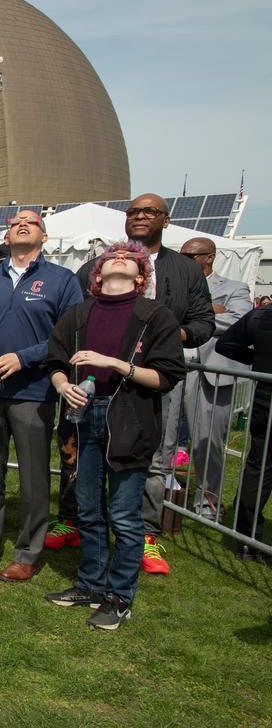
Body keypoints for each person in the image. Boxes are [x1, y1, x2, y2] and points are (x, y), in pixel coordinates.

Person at [45, 241, 185, 629]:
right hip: (81, 416)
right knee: (88, 510)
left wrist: (114, 363)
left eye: (128, 258)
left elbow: (165, 377)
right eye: (110, 257)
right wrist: (61, 385)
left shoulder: (155, 316)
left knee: (124, 516)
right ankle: (90, 584)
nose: (118, 258)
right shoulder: (78, 314)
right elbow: (55, 361)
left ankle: (119, 596)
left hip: (128, 420)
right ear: (97, 274)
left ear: (141, 277)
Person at [75, 194, 214, 575]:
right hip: (96, 384)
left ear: (165, 221)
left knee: (154, 456)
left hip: (152, 382)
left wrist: (168, 336)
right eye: (134, 212)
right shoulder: (95, 267)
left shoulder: (185, 271)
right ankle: (83, 530)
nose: (140, 217)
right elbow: (71, 320)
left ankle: (145, 532)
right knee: (84, 455)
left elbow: (204, 322)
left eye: (149, 212)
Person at [0, 209, 82, 579]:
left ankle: (27, 553)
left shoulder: (61, 280)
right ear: (8, 235)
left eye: (31, 221)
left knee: (33, 478)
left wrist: (24, 358)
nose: (21, 224)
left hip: (34, 391)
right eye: (14, 222)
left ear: (44, 237)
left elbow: (69, 333)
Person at [179, 237, 252, 519]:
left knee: (207, 442)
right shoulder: (175, 286)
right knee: (164, 438)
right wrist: (210, 312)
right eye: (182, 254)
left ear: (209, 257)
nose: (184, 260)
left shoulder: (234, 288)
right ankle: (159, 497)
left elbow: (240, 321)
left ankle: (207, 503)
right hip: (173, 368)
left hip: (211, 373)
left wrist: (198, 316)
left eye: (191, 255)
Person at [215, 307, 272, 560]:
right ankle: (247, 536)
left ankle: (246, 538)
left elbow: (227, 344)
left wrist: (256, 357)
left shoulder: (260, 315)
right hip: (266, 394)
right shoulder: (260, 315)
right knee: (259, 467)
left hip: (265, 396)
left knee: (259, 467)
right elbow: (226, 345)